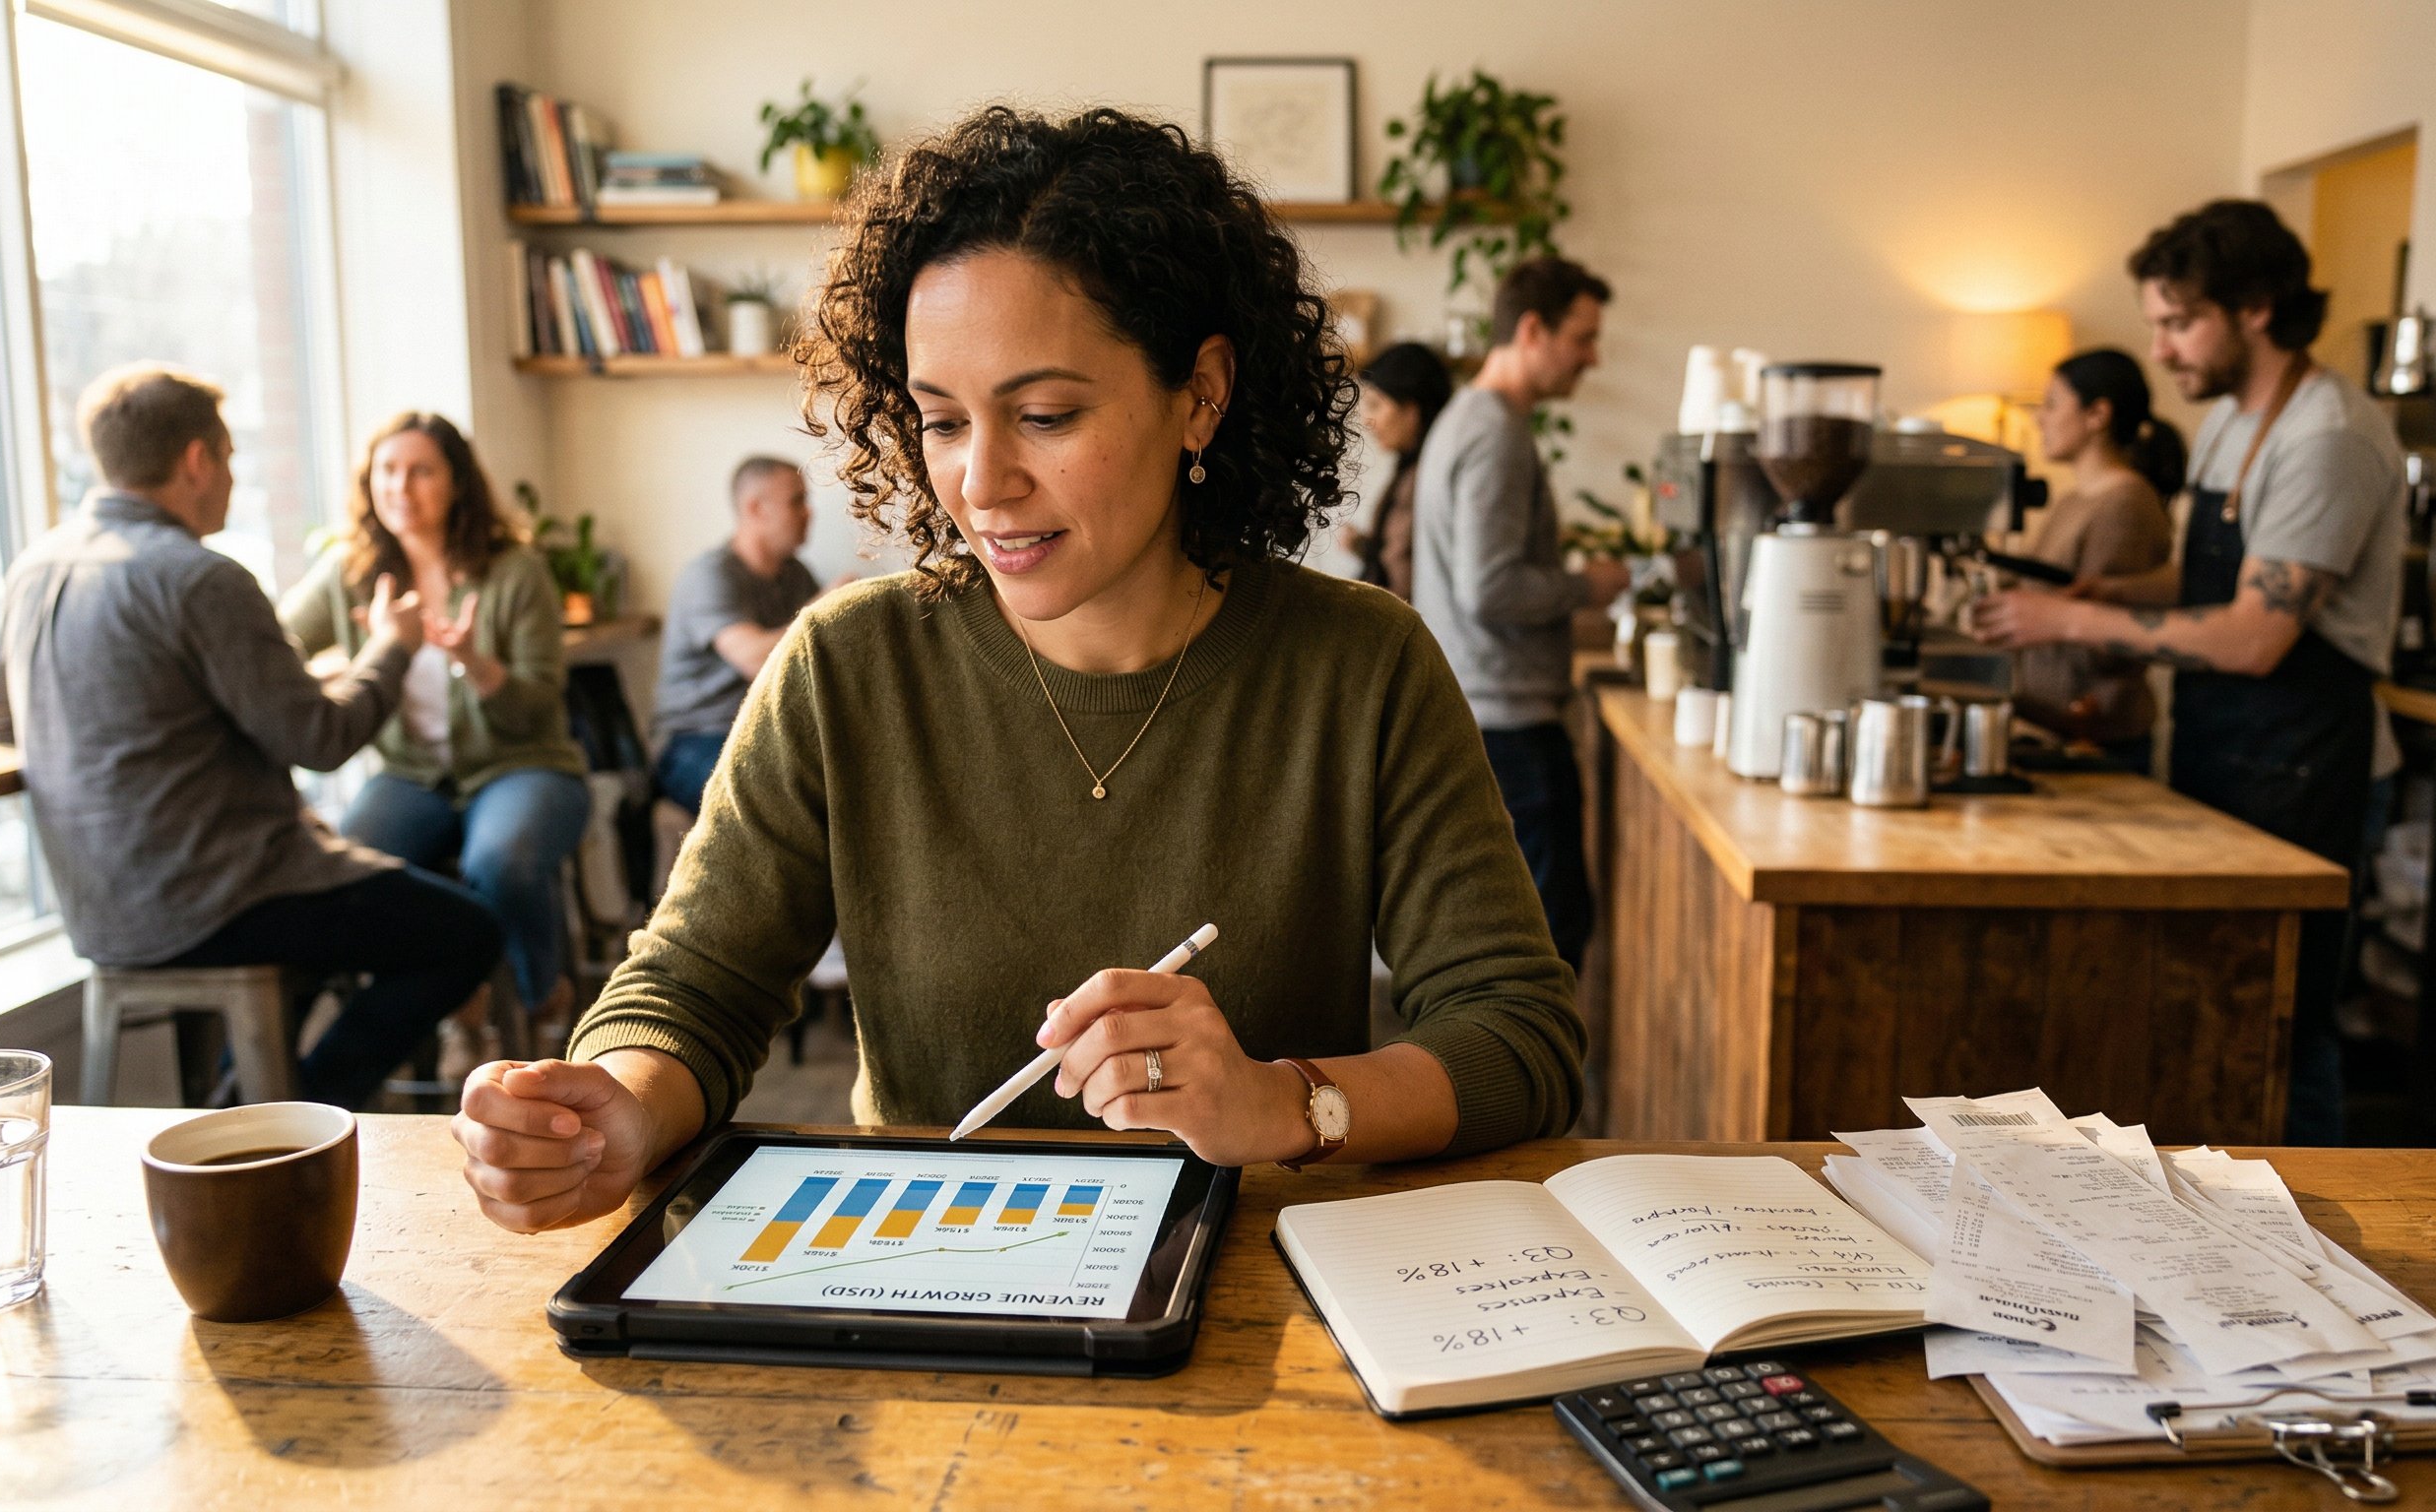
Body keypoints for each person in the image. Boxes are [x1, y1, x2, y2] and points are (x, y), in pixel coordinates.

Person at [448, 105, 1584, 1232]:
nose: (982, 483)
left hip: (1261, 1311)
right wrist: (618, 1113)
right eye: (942, 422)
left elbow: (1517, 1036)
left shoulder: (1362, 666)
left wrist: (1280, 1100)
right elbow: (693, 987)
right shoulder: (848, 666)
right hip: (922, 1292)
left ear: (1201, 395)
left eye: (1043, 414)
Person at [1973, 200, 2405, 1145]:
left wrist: (2077, 618)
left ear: (2255, 306)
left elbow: (2257, 633)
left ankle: (2331, 1235)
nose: (2161, 352)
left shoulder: (2326, 437)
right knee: (2222, 1015)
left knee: (2290, 1026)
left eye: (2178, 322)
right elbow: (2213, 573)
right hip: (2228, 746)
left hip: (2308, 765)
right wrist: (2116, 586)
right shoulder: (2230, 421)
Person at [0, 364, 500, 1109]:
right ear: (197, 460)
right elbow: (322, 738)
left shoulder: (35, 566)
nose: (229, 475)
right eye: (227, 457)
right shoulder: (201, 579)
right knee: (467, 932)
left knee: (338, 911)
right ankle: (292, 1114)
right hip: (221, 901)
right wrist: (391, 644)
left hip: (104, 909)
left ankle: (248, 1096)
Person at [281, 413, 592, 1028]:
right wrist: (352, 668)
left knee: (498, 860)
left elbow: (538, 706)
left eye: (422, 471)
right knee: (351, 869)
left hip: (522, 766)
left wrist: (472, 660)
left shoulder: (514, 570)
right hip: (410, 776)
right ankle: (452, 1004)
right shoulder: (351, 571)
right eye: (388, 471)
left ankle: (540, 993)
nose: (402, 487)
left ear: (457, 483)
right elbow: (272, 647)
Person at [1410, 257, 1631, 971]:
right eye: (1583, 337)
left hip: (1488, 713)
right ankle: (1528, 1085)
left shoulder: (1469, 420)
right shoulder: (1495, 433)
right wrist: (1588, 586)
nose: (1592, 357)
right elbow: (1490, 588)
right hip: (1508, 725)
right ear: (1532, 329)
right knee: (1549, 938)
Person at [2011, 347, 2182, 772]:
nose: (2039, 419)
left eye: (2051, 405)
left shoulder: (2125, 503)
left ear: (2097, 415)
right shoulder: (2074, 500)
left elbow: (2104, 644)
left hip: (2094, 736)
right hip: (2051, 725)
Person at [651, 456, 823, 813]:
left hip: (768, 735)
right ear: (755, 508)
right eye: (797, 501)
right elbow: (753, 660)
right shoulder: (709, 576)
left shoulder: (796, 575)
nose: (809, 513)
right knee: (777, 802)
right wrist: (823, 609)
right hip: (694, 740)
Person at [1336, 342, 1452, 600]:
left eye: (1376, 405)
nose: (1367, 419)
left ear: (1411, 411)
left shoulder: (1423, 478)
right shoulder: (1414, 469)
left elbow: (1402, 575)